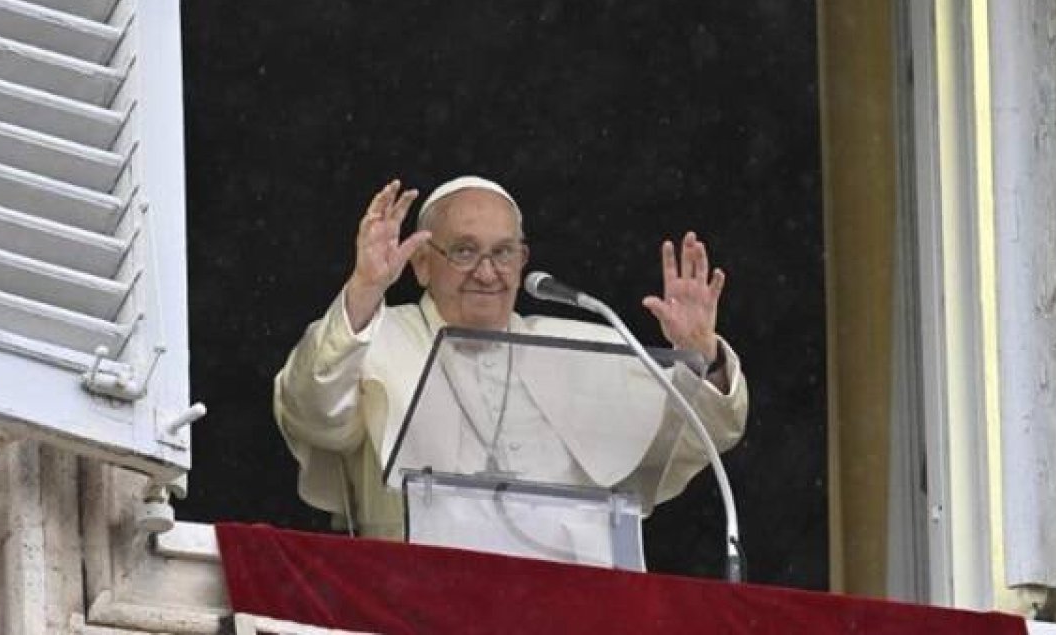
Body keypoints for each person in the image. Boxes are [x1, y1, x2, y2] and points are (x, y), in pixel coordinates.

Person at [274, 176, 749, 543]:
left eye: (503, 253)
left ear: (523, 261)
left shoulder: (579, 345)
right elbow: (312, 412)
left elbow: (694, 438)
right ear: (421, 263)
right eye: (464, 251)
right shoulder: (376, 336)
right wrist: (363, 290)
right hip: (416, 605)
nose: (487, 272)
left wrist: (702, 356)